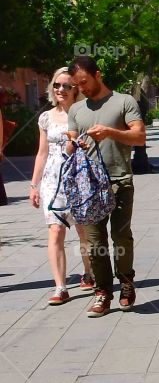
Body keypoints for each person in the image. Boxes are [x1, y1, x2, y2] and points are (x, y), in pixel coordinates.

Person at [65, 55, 146, 317]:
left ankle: (126, 283)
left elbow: (139, 137)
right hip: (88, 187)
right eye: (77, 85)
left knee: (121, 237)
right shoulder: (76, 110)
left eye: (84, 82)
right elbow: (72, 146)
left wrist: (111, 132)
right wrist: (72, 144)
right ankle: (102, 292)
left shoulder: (124, 102)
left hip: (120, 180)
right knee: (95, 242)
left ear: (98, 74)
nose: (82, 89)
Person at [29, 70, 94, 304]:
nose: (61, 90)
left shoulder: (84, 114)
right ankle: (60, 287)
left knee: (83, 230)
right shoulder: (46, 117)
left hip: (78, 178)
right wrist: (34, 185)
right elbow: (42, 153)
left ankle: (88, 271)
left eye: (67, 86)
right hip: (52, 181)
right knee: (55, 230)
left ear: (75, 89)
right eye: (57, 85)